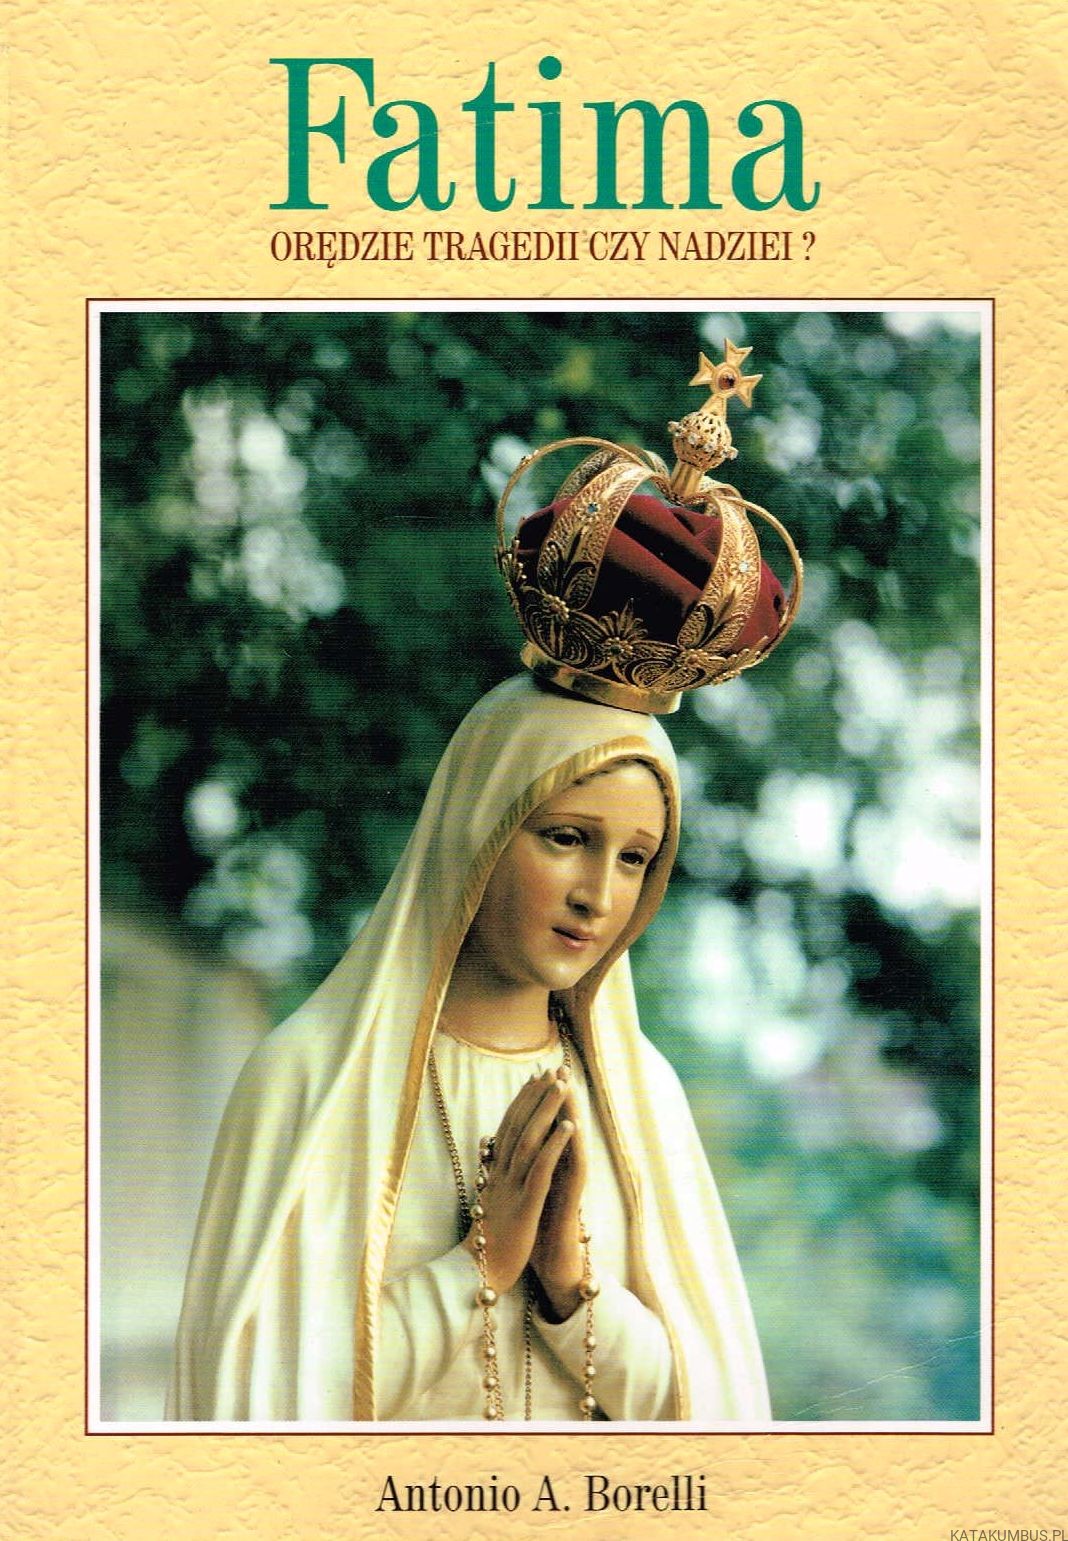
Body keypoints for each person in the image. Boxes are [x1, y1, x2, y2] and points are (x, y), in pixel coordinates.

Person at [166, 344, 801, 1423]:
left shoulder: (640, 1097)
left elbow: (704, 1414)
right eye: (566, 836)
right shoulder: (310, 1080)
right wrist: (477, 1264)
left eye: (634, 858)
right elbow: (251, 1419)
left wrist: (568, 1285)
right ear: (479, 824)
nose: (598, 893)